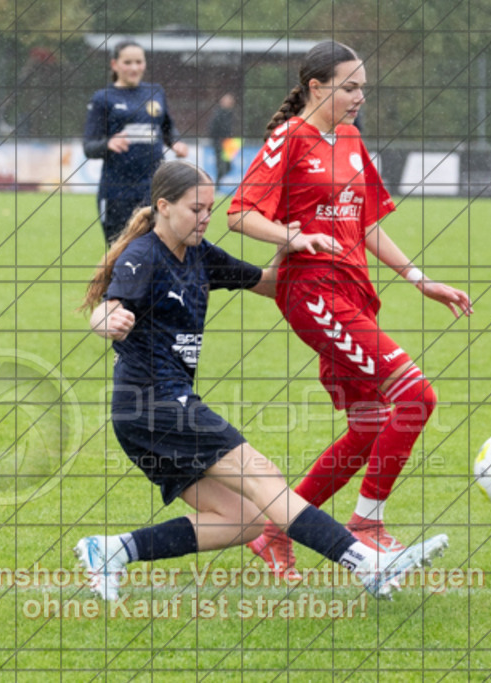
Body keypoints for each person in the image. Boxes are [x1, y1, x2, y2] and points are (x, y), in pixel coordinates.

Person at [74, 160, 448, 602]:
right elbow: (107, 307)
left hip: (148, 416)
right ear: (164, 207)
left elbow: (271, 285)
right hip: (153, 403)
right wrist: (107, 320)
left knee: (245, 519)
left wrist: (290, 242)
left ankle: (112, 551)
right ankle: (366, 562)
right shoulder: (144, 256)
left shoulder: (199, 254)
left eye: (211, 208)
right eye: (197, 209)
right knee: (262, 477)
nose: (206, 218)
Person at [227, 41, 473, 578]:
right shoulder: (289, 139)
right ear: (317, 88)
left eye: (363, 86)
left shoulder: (351, 139)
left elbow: (366, 224)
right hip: (313, 294)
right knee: (415, 395)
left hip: (353, 294)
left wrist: (418, 278)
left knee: (368, 426)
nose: (361, 96)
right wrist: (292, 235)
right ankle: (366, 525)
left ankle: (272, 535)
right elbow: (241, 213)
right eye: (350, 87)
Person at [83, 41, 189, 245]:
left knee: (156, 249)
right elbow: (89, 147)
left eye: (139, 62)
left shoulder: (155, 92)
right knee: (119, 253)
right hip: (116, 191)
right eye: (127, 62)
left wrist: (175, 143)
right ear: (115, 64)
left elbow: (168, 129)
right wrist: (107, 144)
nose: (134, 67)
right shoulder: (102, 98)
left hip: (153, 188)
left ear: (145, 64)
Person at [208, 93, 236, 187]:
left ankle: (217, 184)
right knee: (221, 165)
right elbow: (212, 129)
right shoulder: (218, 114)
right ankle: (217, 186)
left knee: (228, 166)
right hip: (220, 143)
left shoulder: (230, 114)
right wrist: (217, 140)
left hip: (229, 144)